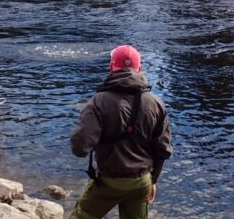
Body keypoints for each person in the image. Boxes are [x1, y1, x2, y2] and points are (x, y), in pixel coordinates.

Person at [69, 45, 172, 219]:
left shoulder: (98, 101)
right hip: (141, 183)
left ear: (111, 67)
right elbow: (163, 149)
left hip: (108, 182)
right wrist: (153, 181)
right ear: (139, 68)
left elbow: (79, 148)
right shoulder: (156, 103)